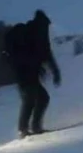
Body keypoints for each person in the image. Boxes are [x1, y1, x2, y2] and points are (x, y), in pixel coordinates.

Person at [4, 10, 61, 138]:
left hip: (26, 72)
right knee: (31, 98)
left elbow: (46, 54)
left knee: (40, 98)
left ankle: (33, 127)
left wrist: (54, 71)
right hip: (25, 72)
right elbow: (47, 54)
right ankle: (24, 129)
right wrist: (55, 72)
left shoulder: (34, 32)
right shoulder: (35, 33)